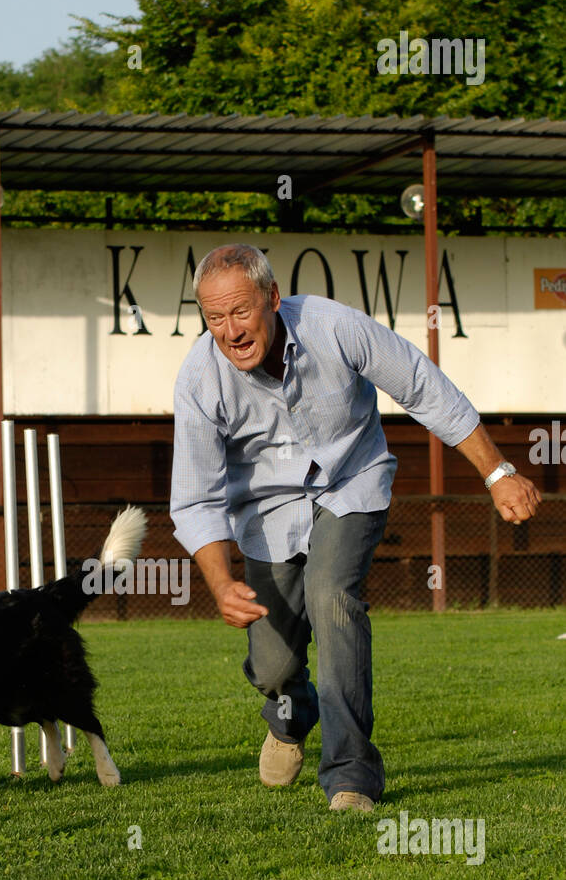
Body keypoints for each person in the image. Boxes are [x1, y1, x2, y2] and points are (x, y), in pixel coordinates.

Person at [170, 244, 541, 811]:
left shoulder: (332, 326)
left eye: (241, 312)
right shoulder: (200, 379)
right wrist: (220, 584)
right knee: (273, 667)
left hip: (351, 484)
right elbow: (196, 496)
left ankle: (350, 774)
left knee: (332, 596)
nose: (230, 331)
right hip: (265, 514)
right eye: (214, 318)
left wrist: (498, 470)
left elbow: (421, 384)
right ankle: (291, 713)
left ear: (272, 298)